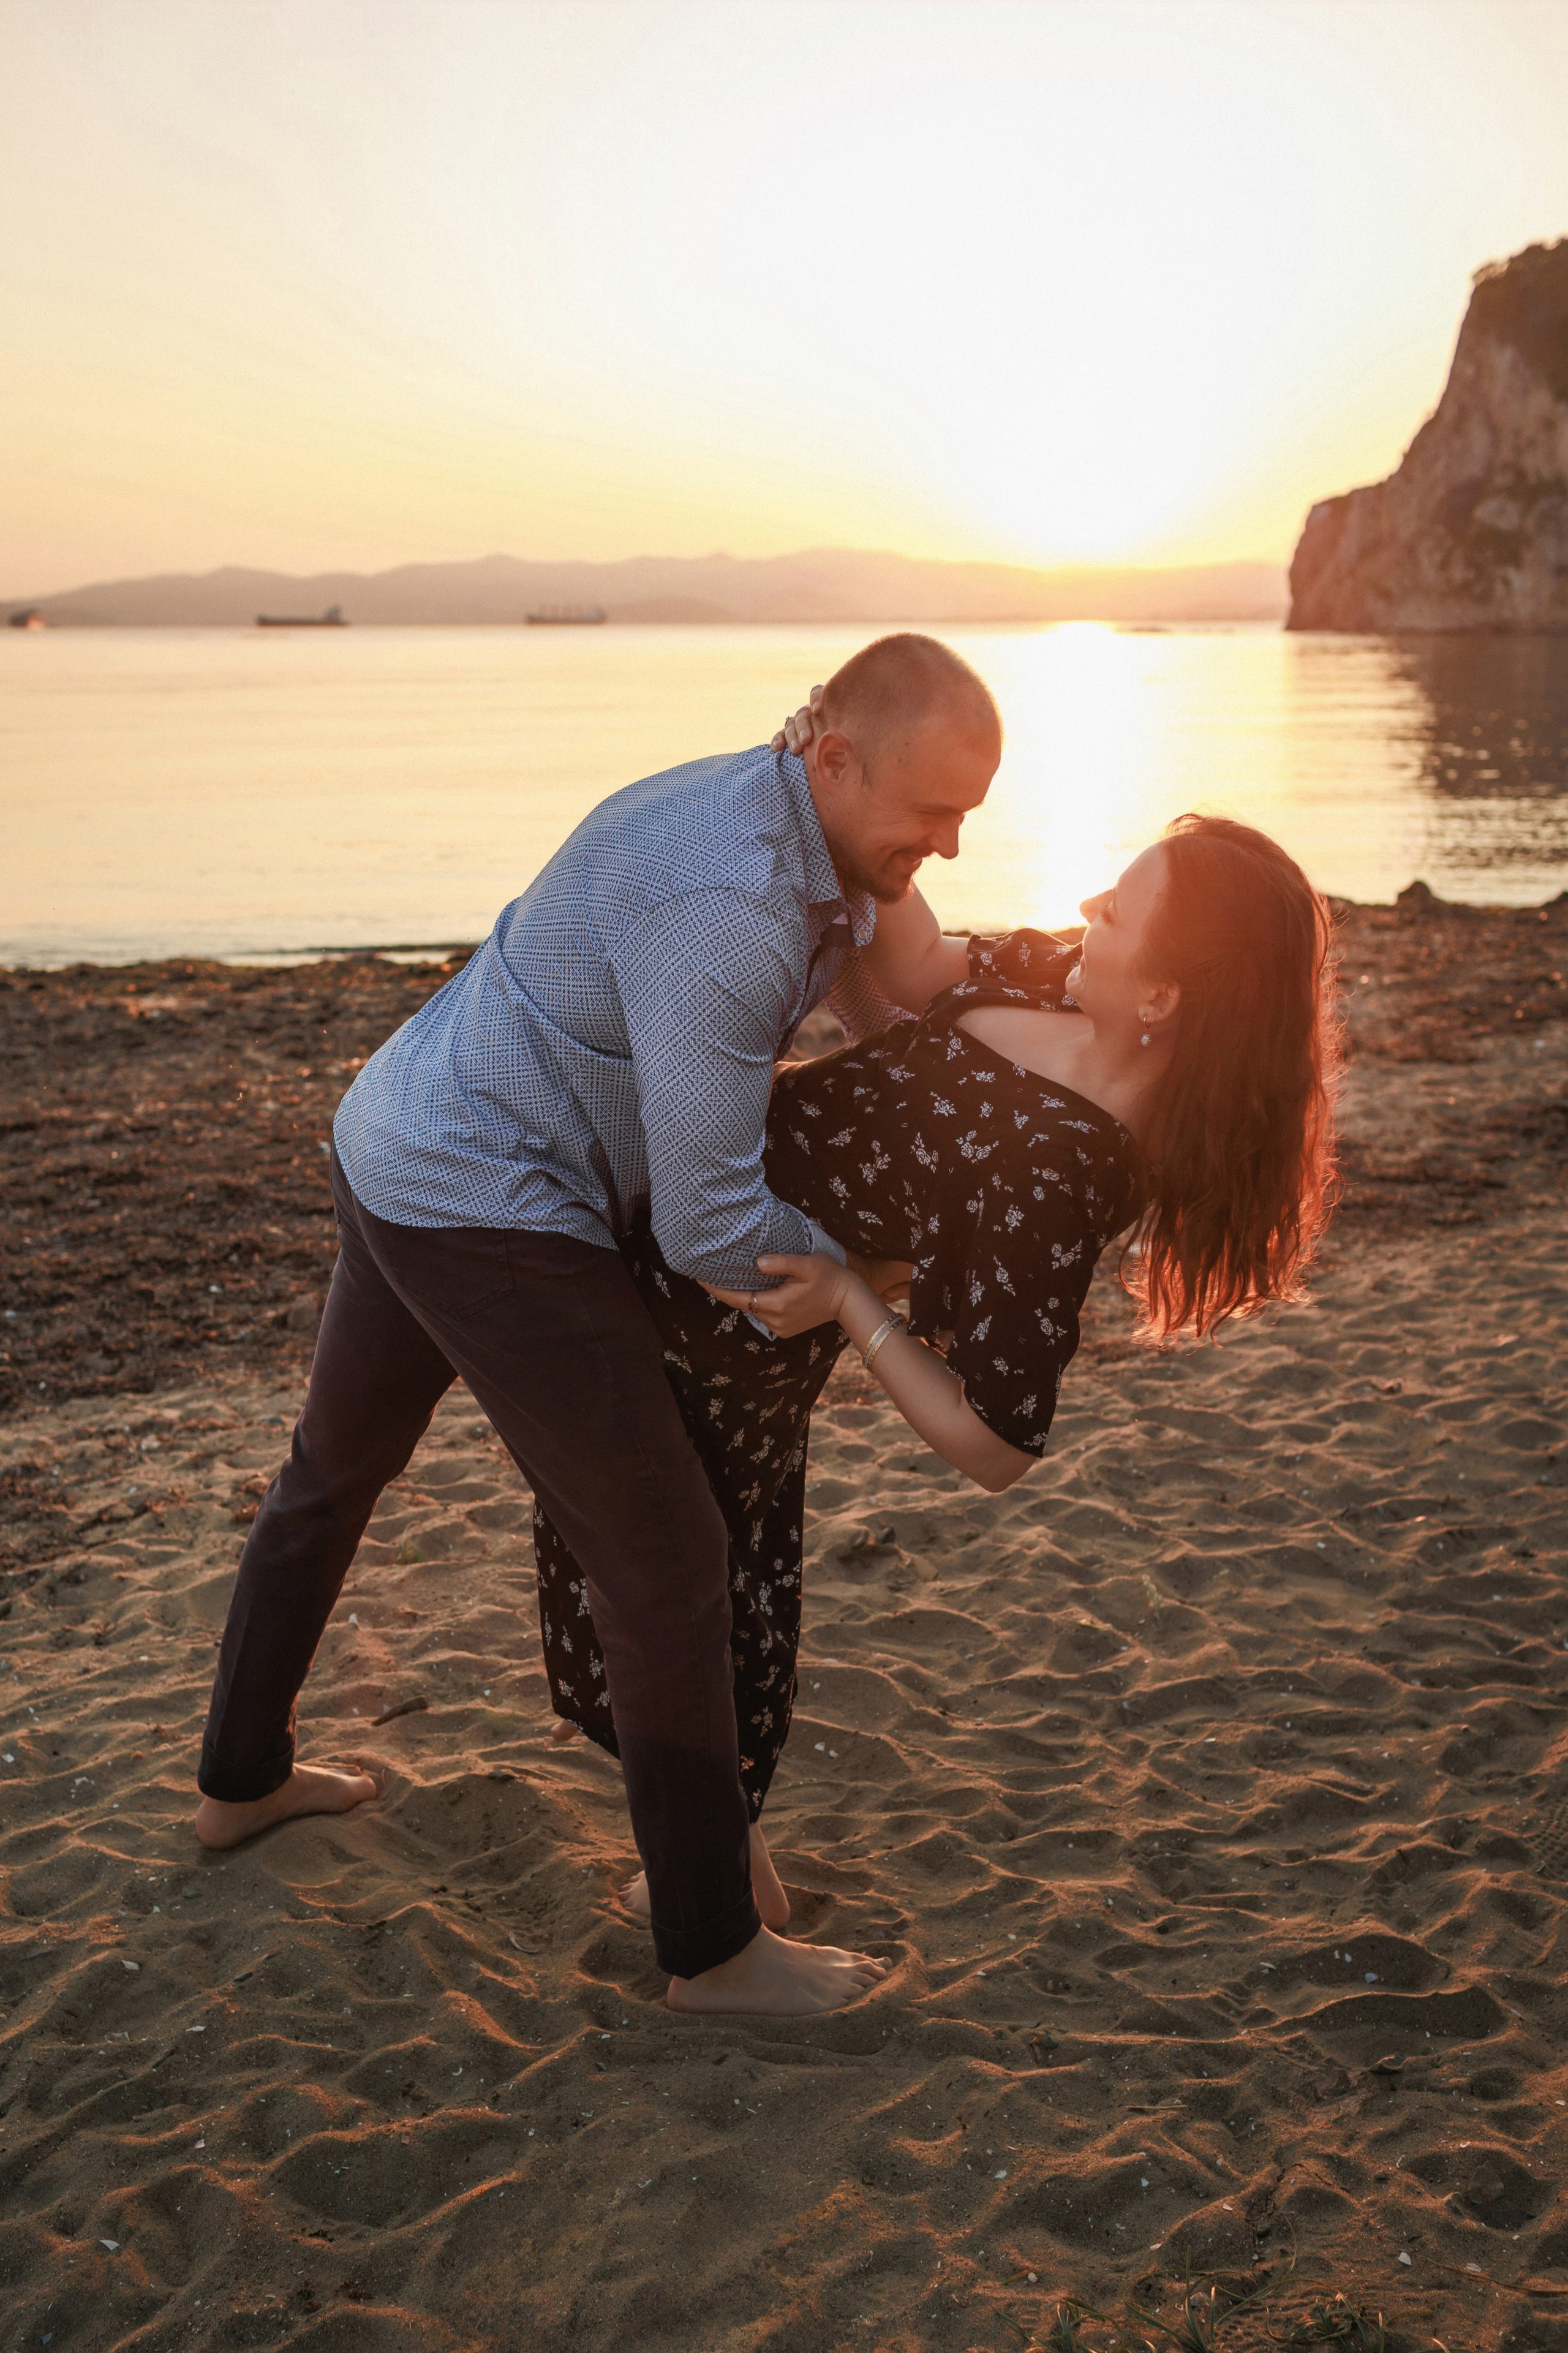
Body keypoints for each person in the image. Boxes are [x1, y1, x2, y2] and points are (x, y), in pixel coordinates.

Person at [191, 632, 1004, 2020]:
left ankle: (239, 1782)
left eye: (964, 820)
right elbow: (703, 1229)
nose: (945, 844)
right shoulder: (731, 902)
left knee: (331, 1476)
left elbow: (892, 986)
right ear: (833, 757)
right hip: (482, 1198)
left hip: (399, 1125)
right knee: (667, 1549)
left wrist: (1035, 987)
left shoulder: (799, 829)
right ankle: (710, 1950)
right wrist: (875, 1285)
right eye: (928, 815)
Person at [538, 742, 1341, 1899]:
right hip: (693, 1219)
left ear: (1164, 996)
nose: (1087, 906)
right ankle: (708, 1886)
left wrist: (852, 1300)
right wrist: (860, 786)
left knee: (690, 1608)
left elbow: (997, 1441)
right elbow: (913, 961)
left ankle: (717, 1905)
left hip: (729, 1325)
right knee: (679, 1593)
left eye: (1119, 907)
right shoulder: (1061, 976)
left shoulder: (1064, 1172)